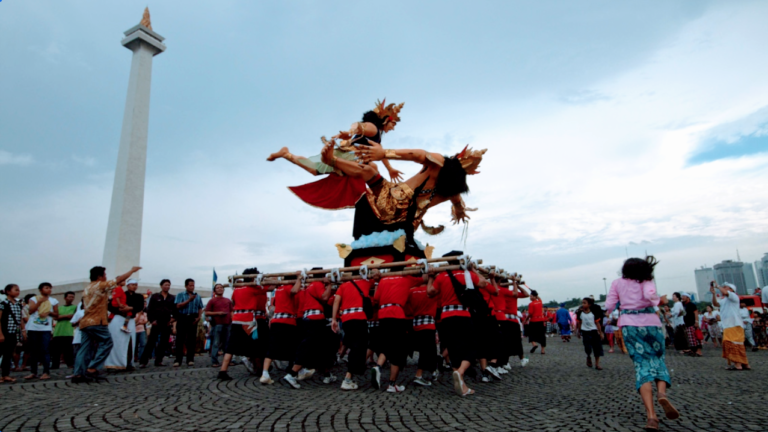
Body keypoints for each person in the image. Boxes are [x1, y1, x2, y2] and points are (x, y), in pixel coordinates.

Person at [268, 100, 406, 211]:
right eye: (393, 124)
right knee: (371, 167)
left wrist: (390, 169)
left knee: (314, 170)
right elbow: (359, 125)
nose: (393, 127)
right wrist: (350, 132)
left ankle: (286, 154)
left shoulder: (378, 135)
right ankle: (375, 199)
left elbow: (380, 152)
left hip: (355, 157)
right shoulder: (373, 128)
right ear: (386, 119)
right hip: (348, 155)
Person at [605, 256, 678, 432]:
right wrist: (660, 300)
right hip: (651, 324)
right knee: (658, 358)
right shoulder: (647, 280)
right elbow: (651, 297)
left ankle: (652, 417)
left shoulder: (616, 283)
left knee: (641, 364)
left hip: (630, 325)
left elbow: (609, 305)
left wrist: (613, 311)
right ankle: (661, 393)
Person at [427, 254, 489, 397]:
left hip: (446, 317)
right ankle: (460, 372)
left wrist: (431, 277)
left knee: (454, 349)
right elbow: (484, 283)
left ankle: (462, 384)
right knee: (472, 346)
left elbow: (430, 293)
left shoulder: (442, 276)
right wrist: (473, 269)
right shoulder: (467, 274)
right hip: (463, 315)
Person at [72, 265, 141, 383]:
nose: (106, 277)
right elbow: (118, 280)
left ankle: (78, 374)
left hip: (85, 322)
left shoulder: (87, 288)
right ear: (99, 276)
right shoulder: (99, 285)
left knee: (84, 349)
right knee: (107, 342)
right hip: (97, 321)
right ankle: (92, 368)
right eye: (104, 275)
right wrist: (131, 271)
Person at [371, 271, 425, 392]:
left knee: (387, 345)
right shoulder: (407, 278)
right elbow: (424, 278)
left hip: (383, 314)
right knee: (398, 349)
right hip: (397, 313)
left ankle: (378, 367)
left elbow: (376, 298)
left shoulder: (383, 280)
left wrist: (376, 281)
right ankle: (391, 384)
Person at [331, 271, 377, 390]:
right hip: (359, 318)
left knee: (353, 345)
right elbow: (377, 279)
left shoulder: (343, 285)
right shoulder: (365, 282)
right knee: (358, 347)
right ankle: (348, 378)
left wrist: (334, 319)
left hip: (346, 319)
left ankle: (350, 371)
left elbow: (336, 301)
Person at [260, 275, 302, 385]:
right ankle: (297, 369)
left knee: (272, 347)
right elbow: (295, 290)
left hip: (276, 321)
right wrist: (299, 279)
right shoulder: (288, 287)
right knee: (294, 347)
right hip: (287, 321)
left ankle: (264, 373)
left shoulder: (278, 290)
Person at [406, 273, 439, 386]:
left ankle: (432, 370)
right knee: (427, 350)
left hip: (416, 322)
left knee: (426, 349)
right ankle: (419, 375)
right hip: (428, 323)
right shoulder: (434, 291)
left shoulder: (411, 292)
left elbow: (408, 308)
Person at [106, 279, 144, 371]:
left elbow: (140, 307)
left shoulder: (139, 296)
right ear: (127, 285)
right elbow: (111, 306)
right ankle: (113, 363)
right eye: (132, 284)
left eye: (135, 285)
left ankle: (128, 363)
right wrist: (121, 310)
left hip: (130, 320)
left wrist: (130, 308)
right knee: (117, 342)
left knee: (130, 342)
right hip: (118, 319)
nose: (134, 286)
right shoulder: (122, 294)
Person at [711, 282, 750, 371]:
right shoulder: (724, 300)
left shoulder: (733, 296)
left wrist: (717, 286)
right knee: (738, 345)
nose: (723, 288)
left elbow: (725, 292)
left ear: (732, 289)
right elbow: (716, 304)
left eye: (726, 287)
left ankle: (738, 364)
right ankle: (744, 363)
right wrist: (713, 294)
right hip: (729, 325)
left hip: (734, 324)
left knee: (731, 343)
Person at [25, 282, 60, 380]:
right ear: (40, 290)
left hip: (45, 328)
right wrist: (39, 302)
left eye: (50, 288)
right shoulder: (34, 299)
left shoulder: (54, 301)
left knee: (45, 350)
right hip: (33, 327)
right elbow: (31, 310)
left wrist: (49, 312)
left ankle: (46, 372)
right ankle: (33, 372)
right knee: (33, 350)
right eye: (46, 288)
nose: (49, 290)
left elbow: (57, 315)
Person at [501, 278, 529, 368]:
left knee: (507, 341)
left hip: (505, 319)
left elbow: (526, 294)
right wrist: (517, 285)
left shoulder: (501, 292)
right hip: (511, 320)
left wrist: (515, 285)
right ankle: (521, 359)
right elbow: (526, 294)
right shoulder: (512, 293)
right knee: (516, 341)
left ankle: (507, 362)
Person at [204, 283, 233, 367]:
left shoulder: (228, 300)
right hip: (217, 324)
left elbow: (231, 311)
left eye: (221, 287)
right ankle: (214, 361)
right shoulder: (212, 300)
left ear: (223, 290)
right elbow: (207, 312)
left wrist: (232, 320)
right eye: (217, 288)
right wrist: (218, 313)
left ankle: (227, 361)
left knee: (227, 343)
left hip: (227, 324)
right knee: (216, 343)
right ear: (215, 291)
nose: (220, 289)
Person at [1, 284, 25, 383]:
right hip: (4, 331)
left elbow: (20, 319)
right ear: (8, 291)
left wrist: (23, 331)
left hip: (13, 332)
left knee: (8, 354)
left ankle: (5, 375)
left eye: (18, 290)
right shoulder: (3, 303)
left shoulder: (19, 304)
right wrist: (0, 334)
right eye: (15, 290)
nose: (18, 292)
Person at [50, 291, 76, 370]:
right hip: (58, 332)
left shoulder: (75, 307)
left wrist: (61, 316)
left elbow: (73, 316)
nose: (71, 298)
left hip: (69, 331)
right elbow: (55, 317)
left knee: (69, 350)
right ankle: (55, 365)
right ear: (65, 298)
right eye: (69, 296)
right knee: (56, 351)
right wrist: (66, 316)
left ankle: (70, 364)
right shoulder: (59, 308)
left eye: (72, 297)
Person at [576, 298, 604, 370]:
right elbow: (579, 323)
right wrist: (579, 332)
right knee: (587, 347)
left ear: (589, 304)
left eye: (585, 303)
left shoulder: (594, 312)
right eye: (582, 303)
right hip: (585, 331)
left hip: (594, 331)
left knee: (597, 348)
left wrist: (600, 333)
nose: (583, 304)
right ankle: (588, 356)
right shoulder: (580, 313)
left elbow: (597, 323)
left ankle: (597, 364)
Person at [525, 290, 547, 355]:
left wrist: (526, 319)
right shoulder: (540, 302)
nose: (530, 297)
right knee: (542, 335)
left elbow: (530, 313)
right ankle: (543, 350)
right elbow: (539, 298)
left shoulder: (531, 304)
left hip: (533, 321)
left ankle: (534, 344)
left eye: (531, 296)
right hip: (541, 320)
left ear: (534, 297)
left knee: (531, 333)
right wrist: (535, 293)